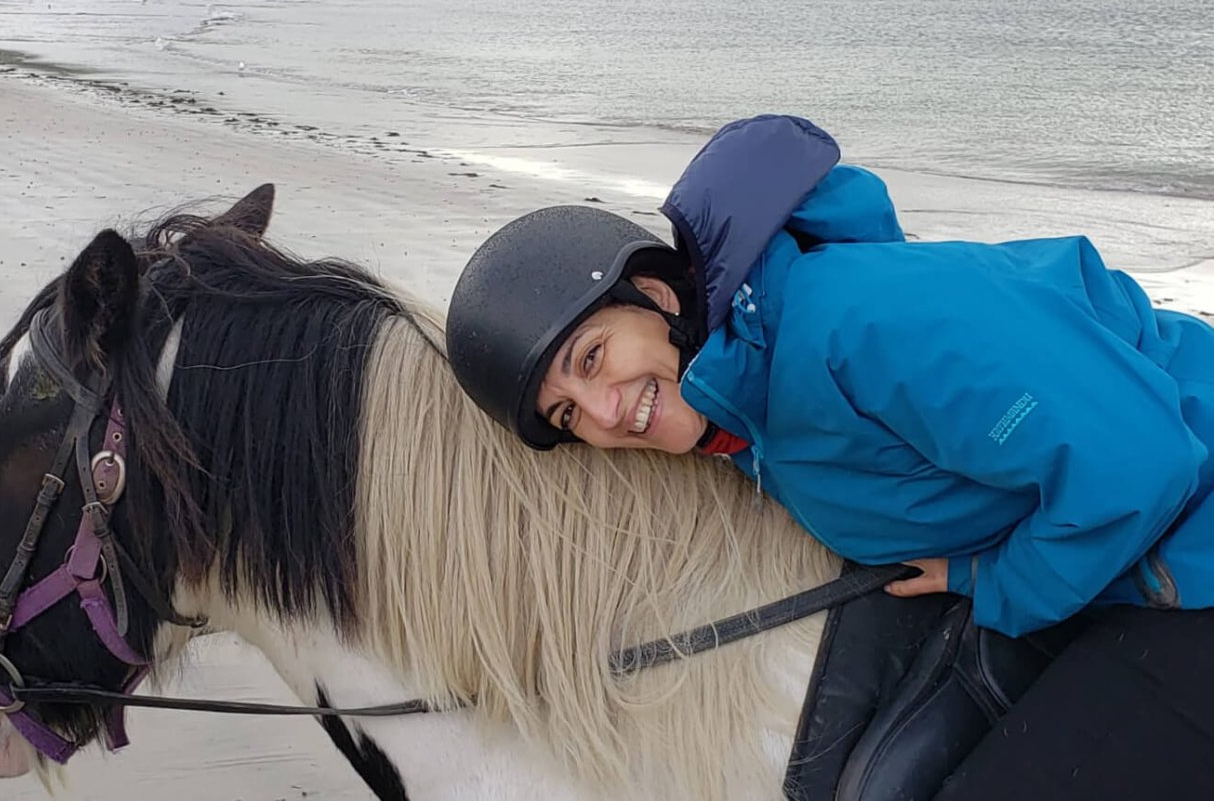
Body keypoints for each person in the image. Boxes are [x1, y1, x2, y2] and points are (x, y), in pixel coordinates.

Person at [445, 114, 1214, 801]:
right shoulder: (746, 419)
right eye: (568, 414)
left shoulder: (855, 321)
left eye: (591, 358)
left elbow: (1134, 467)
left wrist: (998, 581)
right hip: (1127, 560)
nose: (607, 411)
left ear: (655, 295)